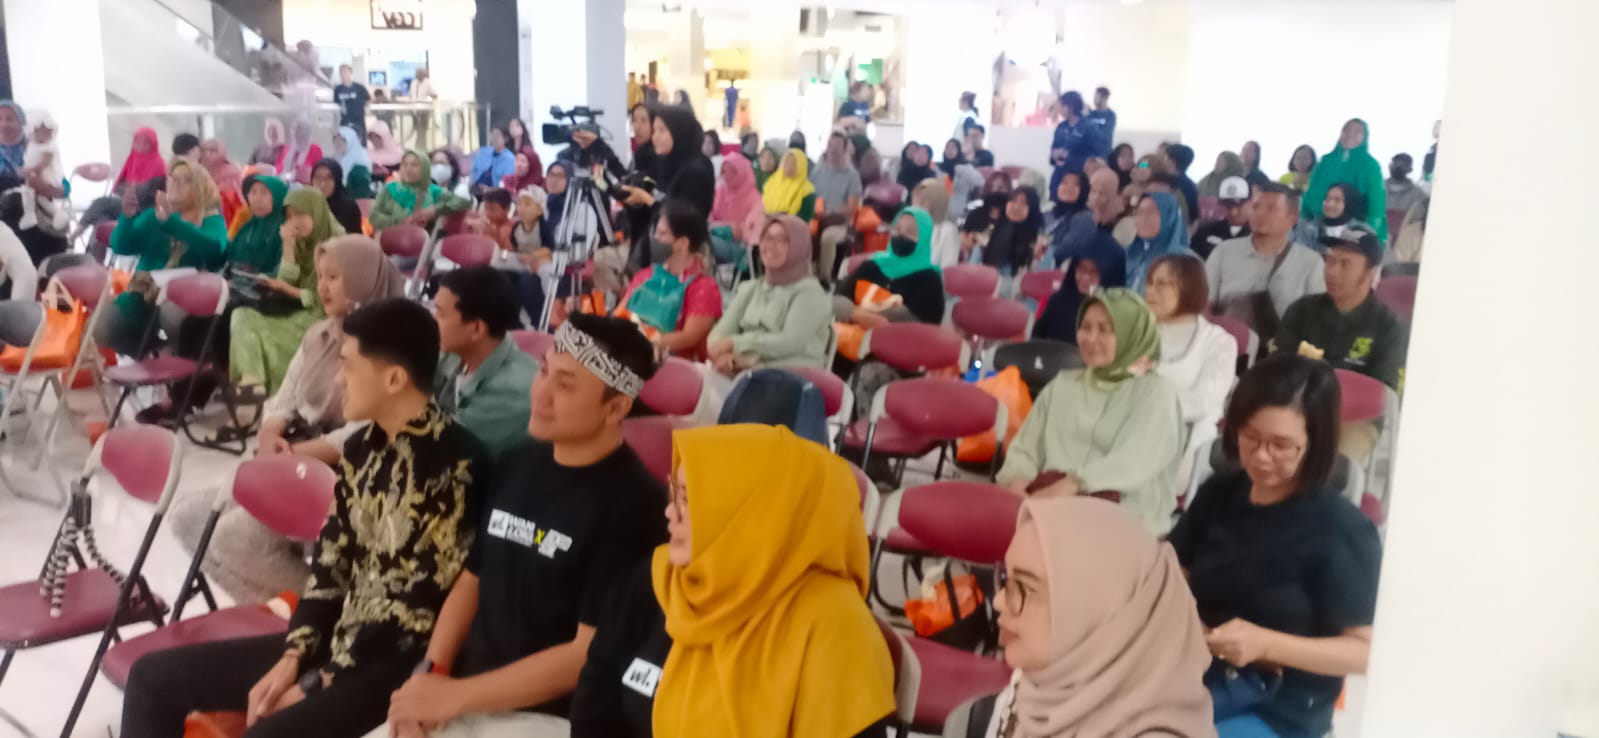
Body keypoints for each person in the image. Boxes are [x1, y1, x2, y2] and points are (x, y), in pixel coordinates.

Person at [121, 298, 486, 738]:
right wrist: (294, 657)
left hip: (396, 663)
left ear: (394, 379)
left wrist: (317, 681)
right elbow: (328, 570)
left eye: (348, 366)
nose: (338, 378)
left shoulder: (457, 465)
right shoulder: (361, 450)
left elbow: (414, 611)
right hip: (340, 638)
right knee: (151, 679)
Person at [371, 314, 664, 738]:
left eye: (565, 386)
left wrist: (455, 696)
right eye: (543, 371)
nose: (541, 393)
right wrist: (432, 673)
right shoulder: (518, 461)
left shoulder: (636, 507)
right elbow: (472, 580)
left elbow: (586, 653)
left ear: (615, 408)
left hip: (551, 717)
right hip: (468, 695)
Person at [571, 423, 896, 738]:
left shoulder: (837, 629)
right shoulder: (662, 579)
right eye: (674, 493)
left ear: (754, 513)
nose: (670, 512)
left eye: (688, 499)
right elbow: (595, 703)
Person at [173, 236, 406, 603]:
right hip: (296, 459)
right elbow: (285, 397)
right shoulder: (320, 334)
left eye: (334, 277)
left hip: (349, 474)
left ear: (363, 281)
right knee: (189, 520)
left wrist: (292, 455)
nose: (322, 287)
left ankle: (329, 611)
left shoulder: (389, 348)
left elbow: (365, 431)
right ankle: (279, 611)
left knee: (232, 538)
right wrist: (270, 435)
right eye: (320, 276)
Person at [1168, 353, 1381, 738]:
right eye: (1250, 436)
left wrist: (1266, 645)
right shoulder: (1221, 493)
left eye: (1281, 445)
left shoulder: (1342, 529)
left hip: (1279, 704)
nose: (1260, 456)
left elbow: (1364, 651)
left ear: (1314, 444)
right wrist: (1189, 622)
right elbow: (1174, 571)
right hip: (1195, 671)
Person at [942, 496, 1215, 738]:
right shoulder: (1037, 689)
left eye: (1025, 587)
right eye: (1005, 578)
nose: (1000, 601)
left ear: (1101, 615)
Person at [998, 288, 1184, 535]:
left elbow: (1133, 461)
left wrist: (1072, 485)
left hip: (1123, 524)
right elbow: (1026, 447)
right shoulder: (1064, 384)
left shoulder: (1156, 393)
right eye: (1085, 327)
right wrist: (1018, 480)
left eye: (1105, 330)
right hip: (1046, 508)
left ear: (1131, 335)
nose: (1091, 338)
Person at [99, 160, 228, 356]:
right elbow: (121, 246)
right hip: (143, 297)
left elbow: (214, 249)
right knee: (101, 324)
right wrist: (127, 218)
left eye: (186, 180)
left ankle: (176, 362)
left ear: (200, 187)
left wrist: (171, 222)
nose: (176, 184)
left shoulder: (211, 219)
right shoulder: (154, 216)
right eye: (173, 179)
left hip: (183, 300)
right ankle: (149, 354)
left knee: (172, 316)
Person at [231, 187, 341, 396]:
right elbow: (285, 281)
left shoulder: (339, 246)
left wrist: (287, 289)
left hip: (327, 319)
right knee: (241, 315)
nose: (294, 222)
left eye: (300, 214)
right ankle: (252, 384)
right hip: (299, 311)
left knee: (263, 332)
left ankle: (278, 394)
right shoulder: (301, 243)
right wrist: (288, 248)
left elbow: (332, 299)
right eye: (289, 217)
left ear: (316, 212)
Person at [1275, 227, 1406, 392]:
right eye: (1330, 261)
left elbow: (1382, 394)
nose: (1332, 272)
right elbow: (1277, 371)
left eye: (1345, 264)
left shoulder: (1389, 328)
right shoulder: (1301, 310)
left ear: (1370, 273)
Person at [432, 266, 539, 455]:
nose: (433, 320)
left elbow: (445, 451)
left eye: (441, 314)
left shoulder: (511, 394)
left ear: (476, 329)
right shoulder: (457, 352)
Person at [708, 214, 832, 373]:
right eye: (767, 238)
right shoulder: (752, 288)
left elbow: (789, 342)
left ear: (798, 247)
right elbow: (720, 333)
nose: (771, 245)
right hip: (744, 370)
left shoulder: (810, 293)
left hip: (791, 377)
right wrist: (725, 355)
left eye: (782, 240)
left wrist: (736, 345)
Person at [1205, 184, 1325, 342]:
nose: (1260, 213)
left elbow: (1317, 321)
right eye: (1256, 206)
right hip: (1228, 347)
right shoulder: (1224, 252)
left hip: (1282, 352)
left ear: (1293, 217)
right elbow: (1204, 306)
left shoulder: (1311, 262)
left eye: (1271, 209)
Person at [1145, 253, 1237, 436]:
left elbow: (1206, 403)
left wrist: (1144, 405)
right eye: (1150, 283)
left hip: (1188, 437)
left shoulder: (1219, 342)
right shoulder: (1138, 332)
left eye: (1161, 284)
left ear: (1188, 287)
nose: (1150, 291)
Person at [620, 199, 723, 360]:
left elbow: (689, 338)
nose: (655, 239)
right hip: (633, 353)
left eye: (662, 234)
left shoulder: (703, 287)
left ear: (682, 243)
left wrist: (642, 344)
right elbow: (620, 314)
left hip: (674, 364)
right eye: (655, 233)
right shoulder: (647, 274)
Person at [620, 105, 716, 272]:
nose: (655, 137)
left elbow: (684, 219)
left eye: (662, 130)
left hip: (685, 256)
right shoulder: (667, 164)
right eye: (654, 131)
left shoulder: (695, 170)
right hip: (661, 249)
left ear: (679, 132)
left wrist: (646, 198)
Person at [835, 207, 945, 327]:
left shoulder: (930, 279)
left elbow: (928, 328)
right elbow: (837, 300)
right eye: (897, 229)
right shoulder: (873, 265)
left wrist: (877, 320)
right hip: (848, 334)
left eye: (910, 232)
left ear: (924, 239)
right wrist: (858, 315)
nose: (901, 235)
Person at [1033, 230, 1127, 344]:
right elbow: (1034, 344)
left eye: (1094, 272)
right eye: (1082, 268)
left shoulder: (1116, 319)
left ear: (1109, 276)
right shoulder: (1058, 302)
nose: (1085, 277)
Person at [1302, 119, 1388, 242]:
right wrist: (1304, 216)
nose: (1350, 134)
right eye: (1346, 130)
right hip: (1318, 225)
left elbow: (1377, 203)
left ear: (1365, 137)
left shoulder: (1371, 165)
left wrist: (1368, 232)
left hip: (1352, 229)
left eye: (1357, 131)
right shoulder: (1326, 161)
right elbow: (1310, 191)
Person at [368, 150, 470, 232]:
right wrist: (401, 221)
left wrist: (434, 210)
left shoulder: (431, 190)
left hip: (421, 244)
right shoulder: (389, 189)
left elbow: (462, 202)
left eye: (414, 165)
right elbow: (373, 216)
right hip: (389, 240)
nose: (408, 169)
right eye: (405, 165)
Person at [811, 132, 865, 279]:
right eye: (830, 145)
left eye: (837, 146)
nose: (832, 150)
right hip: (816, 218)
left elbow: (852, 207)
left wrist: (830, 213)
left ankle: (824, 278)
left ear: (845, 149)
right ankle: (808, 273)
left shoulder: (852, 175)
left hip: (841, 223)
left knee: (827, 237)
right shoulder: (818, 171)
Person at [1123, 192, 1194, 294]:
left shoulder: (1186, 263)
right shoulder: (1127, 254)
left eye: (1151, 212)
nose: (1143, 219)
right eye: (1139, 212)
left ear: (1169, 216)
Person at [980, 186, 1042, 291]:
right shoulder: (994, 228)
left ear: (1032, 209)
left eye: (1024, 203)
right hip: (985, 280)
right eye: (1013, 200)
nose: (1017, 207)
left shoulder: (1037, 237)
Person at [226, 174, 290, 275]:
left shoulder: (284, 230)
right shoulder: (248, 226)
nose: (257, 198)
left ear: (277, 196)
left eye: (264, 193)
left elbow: (282, 270)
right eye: (253, 192)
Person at [14, 111, 65, 231]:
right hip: (33, 174)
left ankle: (30, 213)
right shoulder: (31, 144)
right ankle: (55, 213)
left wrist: (29, 170)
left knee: (30, 188)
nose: (44, 136)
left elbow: (44, 163)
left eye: (48, 133)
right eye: (40, 132)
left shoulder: (49, 147)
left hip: (45, 175)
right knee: (38, 197)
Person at [709, 153, 765, 254]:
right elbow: (710, 217)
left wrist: (730, 229)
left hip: (742, 247)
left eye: (733, 171)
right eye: (724, 171)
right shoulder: (720, 191)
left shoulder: (754, 198)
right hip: (716, 238)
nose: (727, 175)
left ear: (742, 172)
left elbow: (753, 230)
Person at [1192, 177, 1252, 260]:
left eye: (1239, 205)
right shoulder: (1206, 232)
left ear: (1252, 203)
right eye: (1228, 205)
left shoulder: (1261, 235)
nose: (1233, 212)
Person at [1049, 91, 1103, 176]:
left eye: (1062, 106)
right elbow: (1053, 153)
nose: (1060, 109)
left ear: (1071, 107)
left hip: (1079, 176)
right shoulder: (1061, 127)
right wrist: (1054, 154)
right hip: (1059, 176)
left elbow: (1098, 157)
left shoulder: (1089, 128)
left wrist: (1069, 157)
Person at [911, 177, 960, 267]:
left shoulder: (947, 232)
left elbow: (948, 269)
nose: (915, 208)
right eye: (914, 203)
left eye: (922, 204)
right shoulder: (909, 225)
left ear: (936, 205)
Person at [1045, 170, 1091, 264]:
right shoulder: (1048, 214)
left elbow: (1067, 250)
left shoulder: (1085, 218)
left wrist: (1041, 248)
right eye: (1064, 183)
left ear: (1084, 189)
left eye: (1076, 185)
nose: (1069, 188)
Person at [312, 159, 365, 235]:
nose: (323, 183)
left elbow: (354, 239)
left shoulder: (348, 207)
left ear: (337, 180)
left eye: (329, 178)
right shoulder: (307, 204)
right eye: (318, 177)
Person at [469, 126, 517, 198]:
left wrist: (489, 189)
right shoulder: (483, 152)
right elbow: (474, 171)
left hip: (496, 193)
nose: (494, 139)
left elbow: (506, 183)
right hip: (476, 188)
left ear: (505, 139)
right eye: (492, 135)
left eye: (497, 136)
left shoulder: (510, 159)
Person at [333, 125, 375, 199]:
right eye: (336, 140)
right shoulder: (336, 160)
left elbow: (361, 197)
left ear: (351, 142)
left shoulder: (360, 167)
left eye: (342, 141)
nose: (337, 143)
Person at [277, 119, 323, 185]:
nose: (297, 133)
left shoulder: (315, 149)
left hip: (307, 185)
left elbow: (318, 171)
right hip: (285, 184)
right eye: (294, 129)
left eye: (300, 129)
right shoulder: (286, 148)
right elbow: (279, 169)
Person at [1164, 143, 1201, 223]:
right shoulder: (1191, 186)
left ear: (1171, 161)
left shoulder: (1162, 182)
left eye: (1165, 157)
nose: (1163, 160)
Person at [333, 64, 369, 140]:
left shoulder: (359, 88)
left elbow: (368, 100)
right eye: (341, 72)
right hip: (343, 122)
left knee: (359, 141)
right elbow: (335, 104)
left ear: (350, 73)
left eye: (345, 72)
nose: (343, 75)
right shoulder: (337, 89)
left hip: (358, 123)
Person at [410, 68, 438, 148]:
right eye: (416, 73)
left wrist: (426, 99)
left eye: (419, 73)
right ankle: (419, 147)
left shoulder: (428, 83)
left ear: (423, 74)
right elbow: (411, 95)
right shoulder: (414, 82)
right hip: (414, 110)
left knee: (422, 131)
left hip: (424, 111)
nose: (417, 74)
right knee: (417, 130)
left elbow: (434, 95)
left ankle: (420, 148)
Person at [1087, 86, 1117, 155]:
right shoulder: (1091, 114)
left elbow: (1104, 136)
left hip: (1104, 155)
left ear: (1104, 98)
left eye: (1096, 97)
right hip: (1090, 154)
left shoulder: (1110, 115)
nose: (1094, 100)